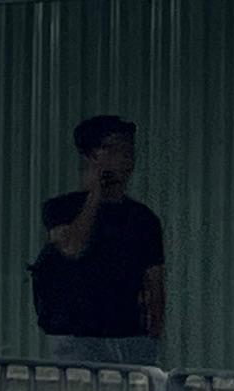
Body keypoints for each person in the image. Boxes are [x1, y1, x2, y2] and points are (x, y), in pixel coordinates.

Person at [33, 114, 167, 365]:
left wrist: (152, 340)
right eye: (113, 149)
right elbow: (72, 247)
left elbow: (154, 283)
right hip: (76, 336)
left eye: (129, 149)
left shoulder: (143, 219)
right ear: (91, 155)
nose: (125, 156)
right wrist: (96, 193)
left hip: (128, 336)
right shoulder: (61, 208)